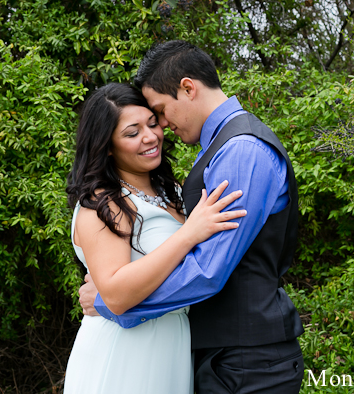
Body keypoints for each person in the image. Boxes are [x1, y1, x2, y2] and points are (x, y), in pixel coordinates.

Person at [79, 41, 304, 394]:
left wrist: (113, 303)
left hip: (249, 360)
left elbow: (208, 270)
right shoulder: (219, 148)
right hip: (218, 357)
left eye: (159, 113)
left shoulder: (241, 150)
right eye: (135, 130)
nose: (162, 128)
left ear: (187, 88)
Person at [64, 82, 246, 393]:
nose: (151, 137)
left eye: (152, 123)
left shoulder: (172, 191)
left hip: (171, 345)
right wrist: (188, 234)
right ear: (107, 145)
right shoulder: (104, 203)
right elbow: (118, 296)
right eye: (132, 133)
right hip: (123, 351)